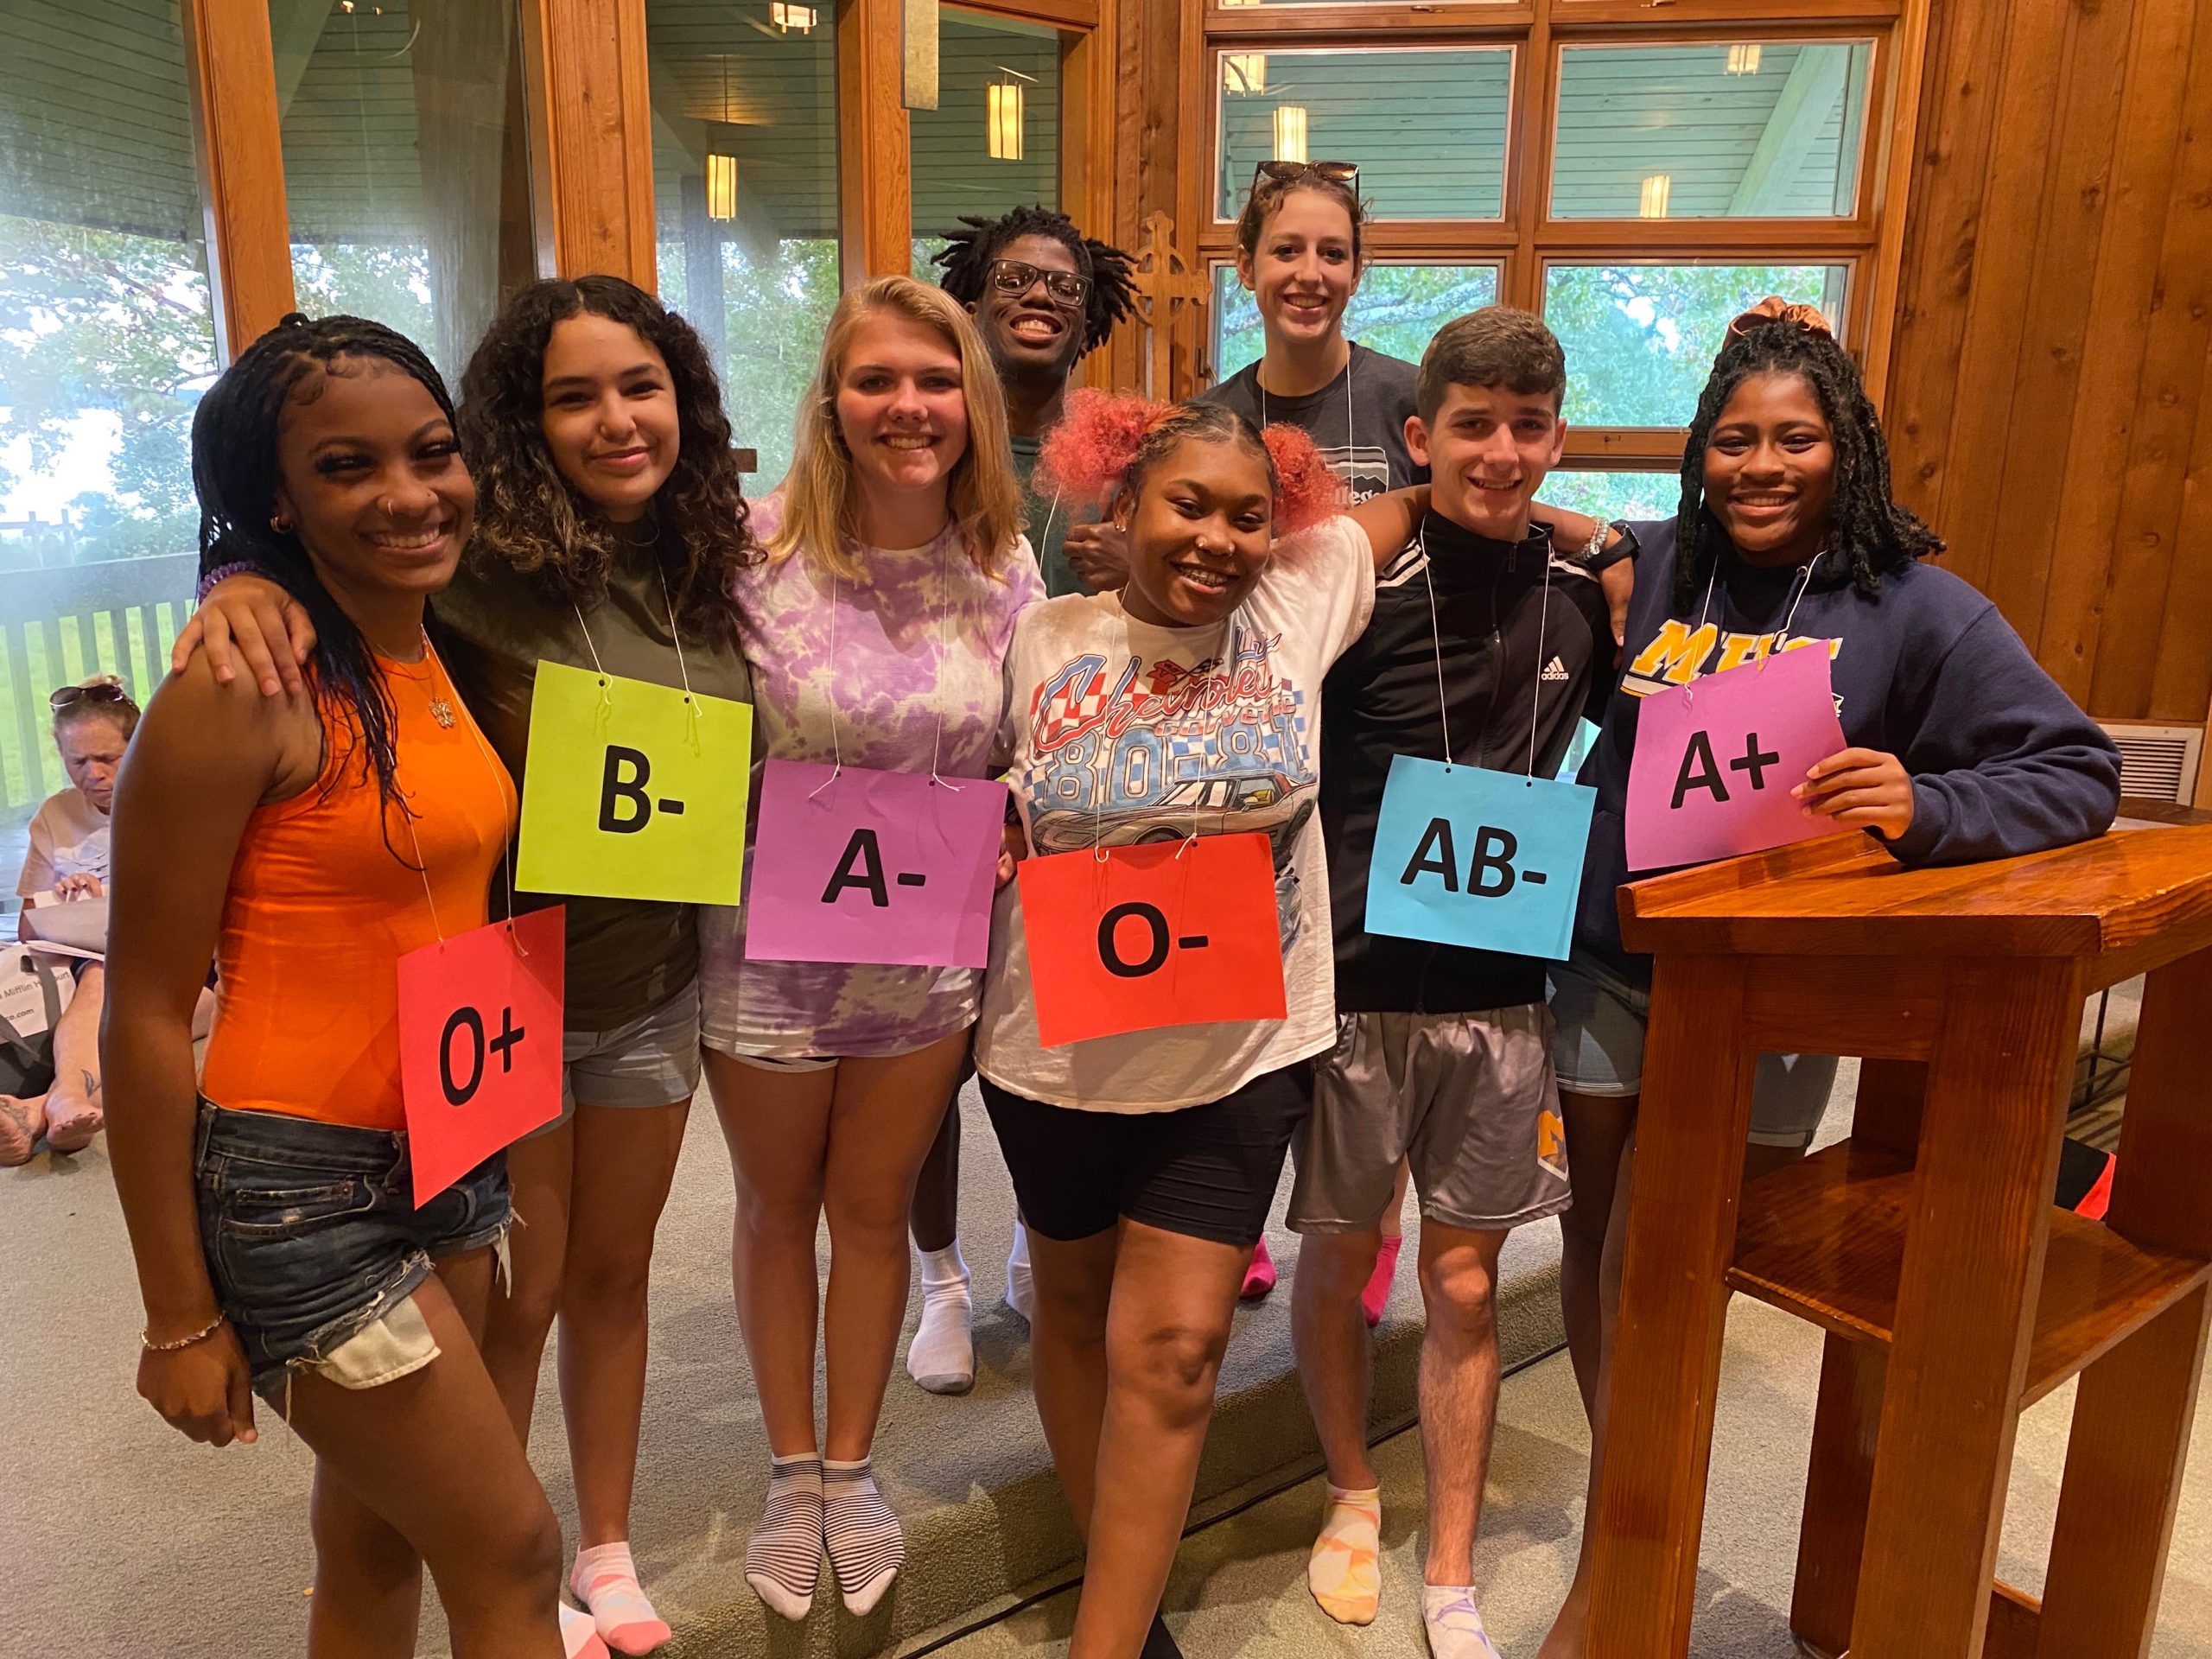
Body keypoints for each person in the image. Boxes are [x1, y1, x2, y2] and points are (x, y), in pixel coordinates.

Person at [173, 275, 758, 1658]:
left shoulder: (717, 557)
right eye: (572, 395)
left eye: (642, 384)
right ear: (518, 419)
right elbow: (321, 547)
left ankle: (599, 1550)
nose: (617, 419)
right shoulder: (470, 563)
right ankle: (513, 1550)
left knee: (587, 1291)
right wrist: (234, 577)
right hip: (495, 1003)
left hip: (645, 984)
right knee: (499, 1343)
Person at [1535, 301, 2123, 1659]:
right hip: (1611, 958)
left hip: (1771, 994)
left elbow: (2075, 768)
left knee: (1664, 1259)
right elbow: (1539, 533)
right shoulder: (1664, 565)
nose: (1760, 465)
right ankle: (1630, 1519)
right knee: (1599, 1229)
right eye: (1734, 439)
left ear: (1843, 448)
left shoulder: (1917, 606)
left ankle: (1621, 1561)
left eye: (1793, 439)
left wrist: (1927, 801)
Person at [102, 313, 572, 1659]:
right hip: (300, 1190)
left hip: (450, 1143)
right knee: (514, 1551)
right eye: (349, 468)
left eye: (432, 454)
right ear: (277, 498)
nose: (410, 495)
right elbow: (142, 1011)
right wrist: (177, 1314)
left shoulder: (430, 649)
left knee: (376, 1541)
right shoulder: (237, 683)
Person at [976, 389, 1452, 1659]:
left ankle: (1102, 1648)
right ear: (1120, 505)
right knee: (1073, 1319)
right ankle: (1123, 1609)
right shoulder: (1036, 637)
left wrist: (1589, 528)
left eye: (1251, 517)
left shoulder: (1294, 607)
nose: (1218, 540)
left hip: (1240, 1051)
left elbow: (1412, 499)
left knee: (1180, 1353)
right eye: (1187, 505)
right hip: (1051, 1054)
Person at [697, 275, 1041, 1623]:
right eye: (878, 379)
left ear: (973, 403)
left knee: (873, 1209)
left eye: (936, 379)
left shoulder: (1004, 562)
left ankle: (854, 1466)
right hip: (768, 941)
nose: (909, 405)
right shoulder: (752, 545)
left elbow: (1036, 737)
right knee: (779, 1210)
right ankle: (791, 1474)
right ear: (832, 402)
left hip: (926, 948)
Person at [1291, 307, 1613, 1656]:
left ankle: (1456, 1566)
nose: (1502, 451)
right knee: (1342, 1249)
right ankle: (1352, 1491)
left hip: (1499, 999)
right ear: (1420, 437)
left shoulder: (1587, 584)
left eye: (1527, 426)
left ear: (1555, 435)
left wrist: (1609, 538)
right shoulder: (1362, 560)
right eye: (1472, 424)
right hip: (1356, 988)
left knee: (1470, 1284)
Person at [896, 207, 1139, 1396]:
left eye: (1061, 284)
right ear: (979, 298)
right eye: (1014, 280)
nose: (1039, 296)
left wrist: (1131, 570)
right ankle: (935, 1275)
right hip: (940, 801)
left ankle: (1042, 1244)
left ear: (1091, 315)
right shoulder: (931, 441)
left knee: (1072, 1034)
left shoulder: (1126, 452)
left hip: (1079, 800)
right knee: (930, 1060)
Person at [3, 676, 136, 1160]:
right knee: (102, 979)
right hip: (90, 961)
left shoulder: (167, 803)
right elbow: (26, 929)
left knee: (131, 1015)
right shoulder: (55, 815)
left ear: (137, 746)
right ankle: (62, 1102)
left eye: (107, 759)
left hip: (180, 965)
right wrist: (63, 900)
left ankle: (38, 1109)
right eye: (77, 761)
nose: (92, 774)